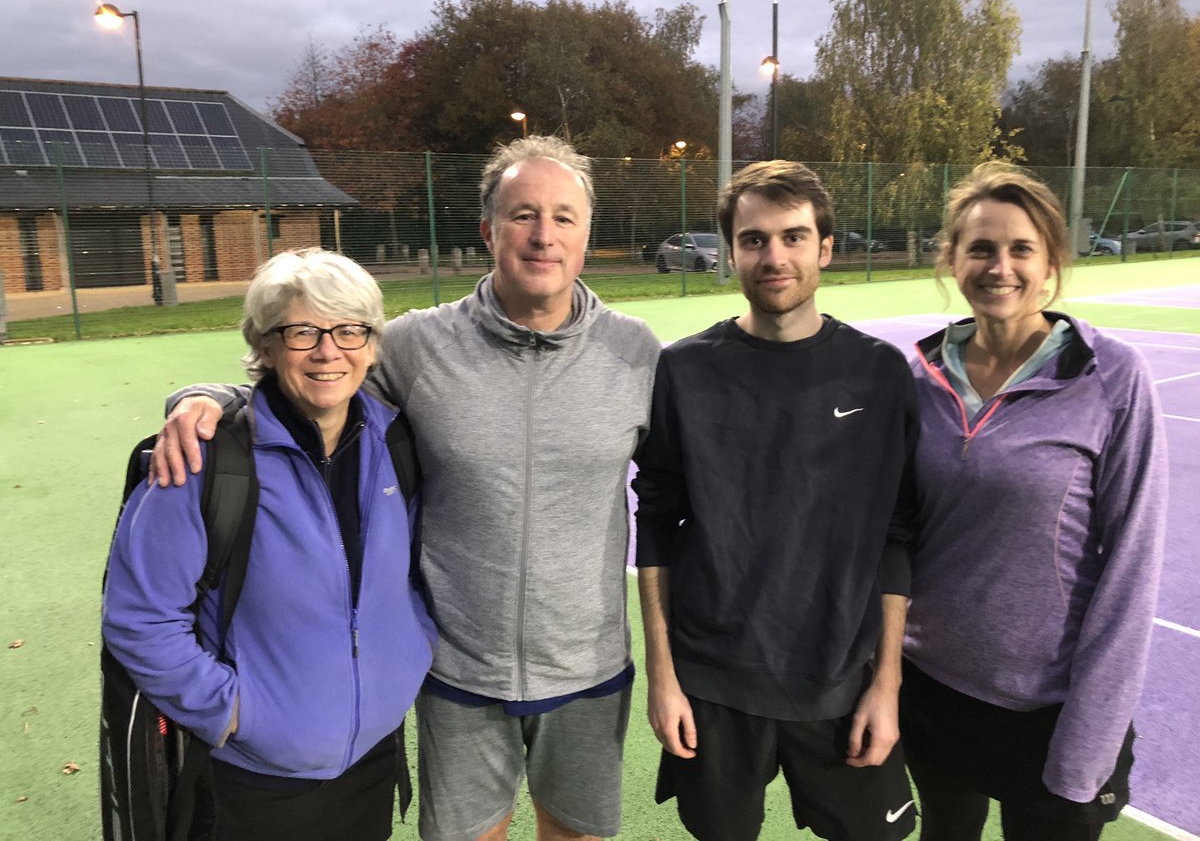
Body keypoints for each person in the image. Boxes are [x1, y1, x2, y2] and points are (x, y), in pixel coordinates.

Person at [150, 136, 661, 841]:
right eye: (523, 214)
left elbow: (684, 492)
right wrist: (203, 396)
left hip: (589, 668)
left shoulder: (637, 354)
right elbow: (312, 374)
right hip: (456, 671)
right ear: (488, 231)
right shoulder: (420, 346)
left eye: (563, 217)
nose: (543, 234)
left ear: (586, 233)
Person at [103, 248, 436, 840]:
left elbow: (409, 578)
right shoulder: (205, 461)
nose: (329, 350)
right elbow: (139, 617)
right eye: (302, 331)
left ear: (373, 344)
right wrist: (230, 712)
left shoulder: (396, 441)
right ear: (263, 346)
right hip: (251, 779)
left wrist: (410, 657)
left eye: (349, 330)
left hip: (370, 763)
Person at [633, 160, 918, 841]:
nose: (774, 256)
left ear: (824, 247)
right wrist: (663, 677)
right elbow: (656, 526)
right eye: (754, 239)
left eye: (793, 237)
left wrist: (888, 685)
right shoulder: (683, 370)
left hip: (840, 678)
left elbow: (896, 535)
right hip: (714, 683)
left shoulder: (879, 374)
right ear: (730, 251)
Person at [899, 163, 1167, 840]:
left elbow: (1132, 569)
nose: (1001, 266)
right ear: (952, 259)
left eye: (1022, 249)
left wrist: (1088, 741)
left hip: (1049, 711)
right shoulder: (917, 378)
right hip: (931, 692)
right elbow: (897, 537)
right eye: (981, 248)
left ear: (1051, 263)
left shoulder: (1112, 378)